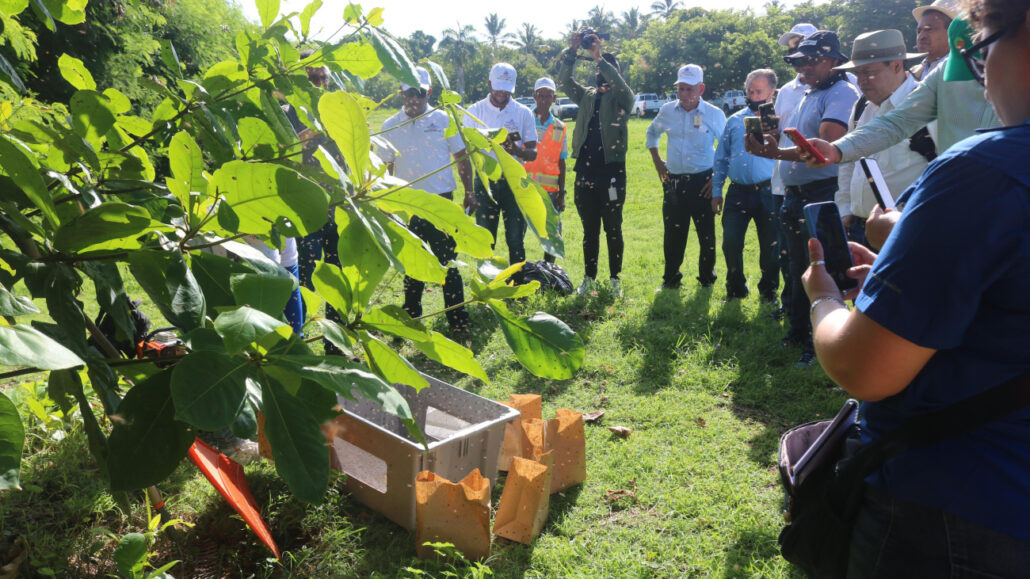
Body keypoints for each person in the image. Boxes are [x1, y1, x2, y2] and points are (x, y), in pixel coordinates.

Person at [801, 0, 1030, 572]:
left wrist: (824, 298)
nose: (980, 72)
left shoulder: (986, 169)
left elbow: (864, 370)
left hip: (959, 503)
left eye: (983, 48)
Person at [748, 30, 860, 366]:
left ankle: (820, 343)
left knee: (823, 271)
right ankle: (797, 332)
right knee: (798, 267)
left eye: (810, 61)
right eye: (799, 61)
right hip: (794, 194)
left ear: (832, 60)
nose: (803, 68)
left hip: (823, 192)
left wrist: (776, 153)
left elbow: (824, 148)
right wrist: (766, 138)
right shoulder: (804, 91)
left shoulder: (843, 92)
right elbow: (783, 131)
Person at [807, 14, 1000, 170]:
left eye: (979, 66)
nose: (973, 74)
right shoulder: (942, 74)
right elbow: (897, 121)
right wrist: (838, 149)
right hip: (961, 189)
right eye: (962, 62)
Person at [379, 67, 475, 338]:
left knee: (448, 263)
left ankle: (457, 318)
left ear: (428, 92)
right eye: (409, 93)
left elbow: (461, 156)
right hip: (407, 205)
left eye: (420, 93)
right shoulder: (389, 126)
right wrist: (386, 204)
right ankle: (411, 317)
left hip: (441, 202)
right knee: (413, 263)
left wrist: (469, 191)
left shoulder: (443, 120)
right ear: (401, 93)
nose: (414, 98)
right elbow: (385, 168)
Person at [833, 30, 931, 247]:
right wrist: (846, 207)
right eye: (857, 74)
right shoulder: (861, 107)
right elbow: (848, 161)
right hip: (859, 227)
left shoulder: (926, 105)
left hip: (908, 230)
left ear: (897, 66)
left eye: (868, 72)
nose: (861, 81)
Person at [558, 31, 634, 296]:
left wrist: (599, 56)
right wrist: (572, 51)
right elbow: (564, 81)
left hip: (612, 173)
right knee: (589, 229)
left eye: (608, 68)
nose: (602, 71)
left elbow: (622, 86)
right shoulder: (589, 96)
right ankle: (589, 277)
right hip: (585, 173)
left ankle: (615, 279)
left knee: (613, 228)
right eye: (600, 67)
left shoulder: (623, 98)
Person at [646, 64, 727, 291]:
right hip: (674, 182)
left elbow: (726, 148)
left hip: (704, 182)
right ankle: (671, 279)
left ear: (701, 88)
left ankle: (707, 280)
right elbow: (652, 133)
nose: (684, 94)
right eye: (680, 88)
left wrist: (717, 180)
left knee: (706, 234)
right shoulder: (667, 111)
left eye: (689, 89)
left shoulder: (714, 114)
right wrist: (657, 161)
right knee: (673, 233)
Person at [711, 69, 779, 302]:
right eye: (750, 90)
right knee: (730, 242)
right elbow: (721, 158)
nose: (753, 95)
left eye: (759, 91)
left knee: (771, 245)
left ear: (771, 92)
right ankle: (735, 288)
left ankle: (769, 291)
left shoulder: (780, 120)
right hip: (738, 191)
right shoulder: (734, 120)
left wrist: (773, 128)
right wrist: (716, 191)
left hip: (769, 191)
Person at [463, 63, 537, 266]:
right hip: (485, 183)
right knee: (486, 241)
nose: (502, 93)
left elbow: (533, 153)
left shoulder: (523, 113)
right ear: (489, 84)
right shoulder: (474, 111)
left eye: (507, 89)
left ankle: (517, 288)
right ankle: (487, 288)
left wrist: (516, 150)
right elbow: (463, 153)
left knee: (515, 240)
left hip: (514, 184)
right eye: (498, 88)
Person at [768, 23, 818, 320]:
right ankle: (791, 308)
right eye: (792, 48)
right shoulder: (787, 90)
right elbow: (778, 132)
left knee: (815, 254)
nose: (796, 53)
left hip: (819, 181)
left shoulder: (840, 85)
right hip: (783, 180)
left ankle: (816, 314)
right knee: (788, 252)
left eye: (802, 46)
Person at [523, 77, 568, 264]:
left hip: (550, 192)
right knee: (518, 233)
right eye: (540, 95)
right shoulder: (524, 121)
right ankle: (518, 270)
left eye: (548, 96)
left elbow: (562, 161)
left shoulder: (560, 126)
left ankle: (550, 270)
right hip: (525, 188)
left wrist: (562, 193)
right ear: (534, 96)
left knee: (553, 232)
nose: (544, 99)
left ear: (554, 98)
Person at [911, 0, 959, 80]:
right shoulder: (914, 72)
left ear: (952, 31)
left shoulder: (960, 72)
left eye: (929, 29)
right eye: (919, 31)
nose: (920, 37)